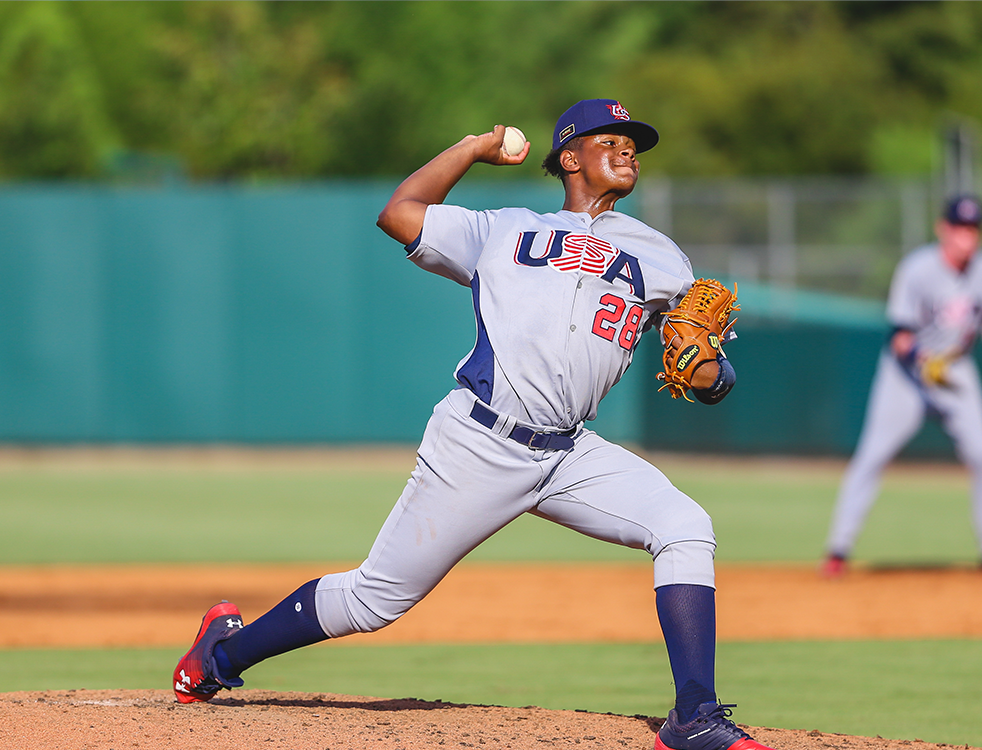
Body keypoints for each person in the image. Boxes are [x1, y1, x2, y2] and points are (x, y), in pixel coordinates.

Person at [171, 99, 773, 750]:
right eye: (611, 139)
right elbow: (398, 213)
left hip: (570, 453)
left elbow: (711, 370)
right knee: (374, 600)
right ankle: (220, 656)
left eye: (634, 144)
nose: (629, 149)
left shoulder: (661, 257)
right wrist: (470, 148)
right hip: (481, 440)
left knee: (684, 527)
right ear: (569, 157)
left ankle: (693, 718)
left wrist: (712, 374)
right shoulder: (503, 227)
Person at [821, 195, 982, 578]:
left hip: (956, 371)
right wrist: (924, 364)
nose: (967, 236)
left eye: (974, 229)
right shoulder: (917, 269)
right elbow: (899, 335)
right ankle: (838, 550)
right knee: (873, 455)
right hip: (906, 374)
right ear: (942, 229)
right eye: (960, 228)